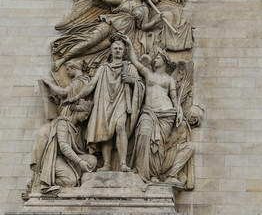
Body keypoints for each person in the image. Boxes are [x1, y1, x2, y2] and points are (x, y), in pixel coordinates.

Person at [63, 35, 145, 172]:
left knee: (120, 126)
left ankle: (123, 163)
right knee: (105, 131)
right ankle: (107, 164)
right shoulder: (103, 68)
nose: (118, 50)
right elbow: (91, 85)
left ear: (124, 50)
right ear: (111, 50)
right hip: (105, 102)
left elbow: (140, 84)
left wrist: (131, 81)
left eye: (120, 48)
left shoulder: (129, 67)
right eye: (115, 48)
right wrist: (75, 97)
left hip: (122, 100)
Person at [52, 0, 163, 71]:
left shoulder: (144, 9)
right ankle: (62, 59)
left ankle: (73, 60)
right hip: (111, 23)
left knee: (95, 49)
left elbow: (144, 26)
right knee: (90, 41)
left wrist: (156, 20)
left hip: (122, 34)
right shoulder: (123, 0)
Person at [120, 34, 183, 182]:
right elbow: (135, 61)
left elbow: (174, 99)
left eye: (158, 58)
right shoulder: (148, 74)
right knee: (143, 135)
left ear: (165, 61)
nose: (155, 59)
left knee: (159, 146)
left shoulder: (169, 79)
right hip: (148, 112)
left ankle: (153, 174)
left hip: (166, 113)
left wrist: (179, 111)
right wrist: (129, 43)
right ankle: (140, 172)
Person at [30, 99, 97, 193]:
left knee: (92, 160)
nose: (86, 118)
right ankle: (45, 180)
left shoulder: (77, 128)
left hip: (69, 159)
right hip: (56, 157)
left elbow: (78, 149)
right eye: (85, 114)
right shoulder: (63, 123)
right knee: (70, 181)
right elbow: (64, 147)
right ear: (78, 111)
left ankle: (78, 178)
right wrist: (80, 162)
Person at [161, 105, 204, 188]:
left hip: (172, 154)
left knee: (183, 179)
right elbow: (169, 144)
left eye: (197, 121)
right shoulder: (182, 124)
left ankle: (168, 175)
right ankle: (171, 175)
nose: (194, 121)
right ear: (189, 114)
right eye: (194, 118)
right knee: (190, 147)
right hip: (166, 156)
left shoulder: (186, 126)